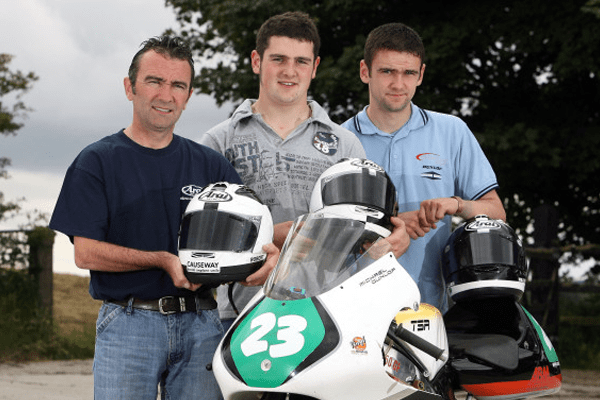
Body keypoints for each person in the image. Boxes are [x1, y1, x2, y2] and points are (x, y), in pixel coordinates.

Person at [48, 35, 278, 400]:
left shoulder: (210, 164)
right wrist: (161, 260)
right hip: (128, 324)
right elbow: (86, 253)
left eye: (178, 85)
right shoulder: (97, 161)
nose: (166, 94)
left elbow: (254, 232)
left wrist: (270, 259)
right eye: (154, 81)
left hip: (203, 323)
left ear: (187, 97)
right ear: (130, 87)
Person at [198, 12, 409, 330]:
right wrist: (279, 234)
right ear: (257, 61)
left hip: (329, 313)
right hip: (242, 314)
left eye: (301, 61)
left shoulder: (345, 145)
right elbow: (203, 235)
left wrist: (393, 238)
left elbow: (368, 232)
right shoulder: (219, 140)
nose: (289, 71)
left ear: (315, 67)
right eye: (278, 59)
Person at [341, 23, 506, 312]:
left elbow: (496, 212)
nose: (398, 84)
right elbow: (323, 233)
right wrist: (391, 224)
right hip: (354, 308)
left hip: (431, 307)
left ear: (421, 75)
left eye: (408, 73)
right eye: (387, 71)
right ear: (365, 71)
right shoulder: (339, 140)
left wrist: (455, 204)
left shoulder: (452, 131)